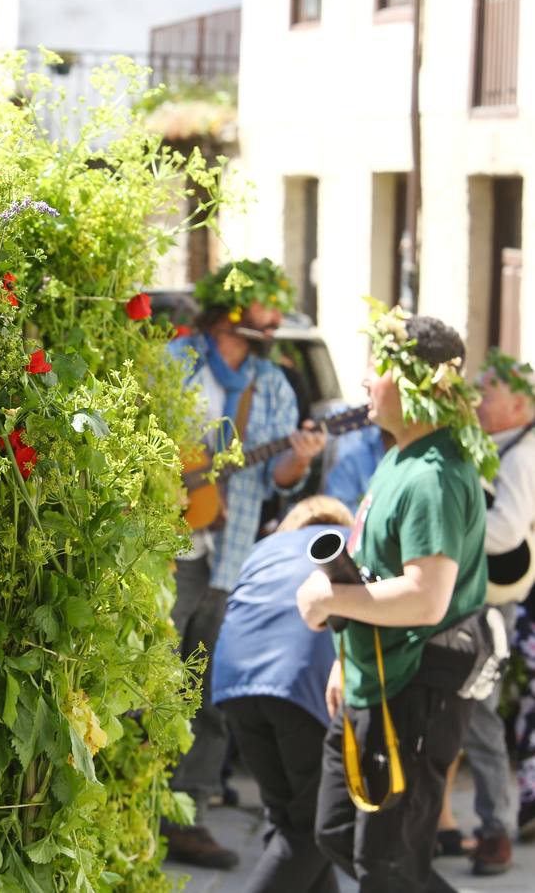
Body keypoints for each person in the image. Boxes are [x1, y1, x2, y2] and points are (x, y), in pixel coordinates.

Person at [297, 305, 495, 892]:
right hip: (373, 677)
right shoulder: (401, 455)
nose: (363, 379)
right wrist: (345, 654)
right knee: (337, 833)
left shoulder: (433, 473)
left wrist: (328, 599)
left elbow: (425, 598)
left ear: (416, 384)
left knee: (387, 867)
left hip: (415, 688)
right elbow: (377, 566)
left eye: (378, 366)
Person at [165, 258, 327, 869]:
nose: (275, 320)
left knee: (207, 691)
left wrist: (299, 458)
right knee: (146, 679)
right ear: (233, 311)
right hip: (169, 547)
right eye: (267, 308)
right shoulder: (174, 363)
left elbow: (285, 477)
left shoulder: (277, 384)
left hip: (232, 560)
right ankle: (128, 801)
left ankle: (188, 815)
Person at [214, 495, 353, 893]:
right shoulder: (344, 544)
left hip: (234, 683)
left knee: (290, 821)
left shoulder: (264, 549)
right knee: (314, 829)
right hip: (299, 687)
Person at [441, 347, 535, 873]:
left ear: (520, 405)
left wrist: (444, 538)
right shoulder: (500, 444)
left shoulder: (523, 455)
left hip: (489, 607)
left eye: (490, 391)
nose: (479, 399)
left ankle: (497, 828)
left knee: (479, 714)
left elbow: (504, 532)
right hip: (470, 599)